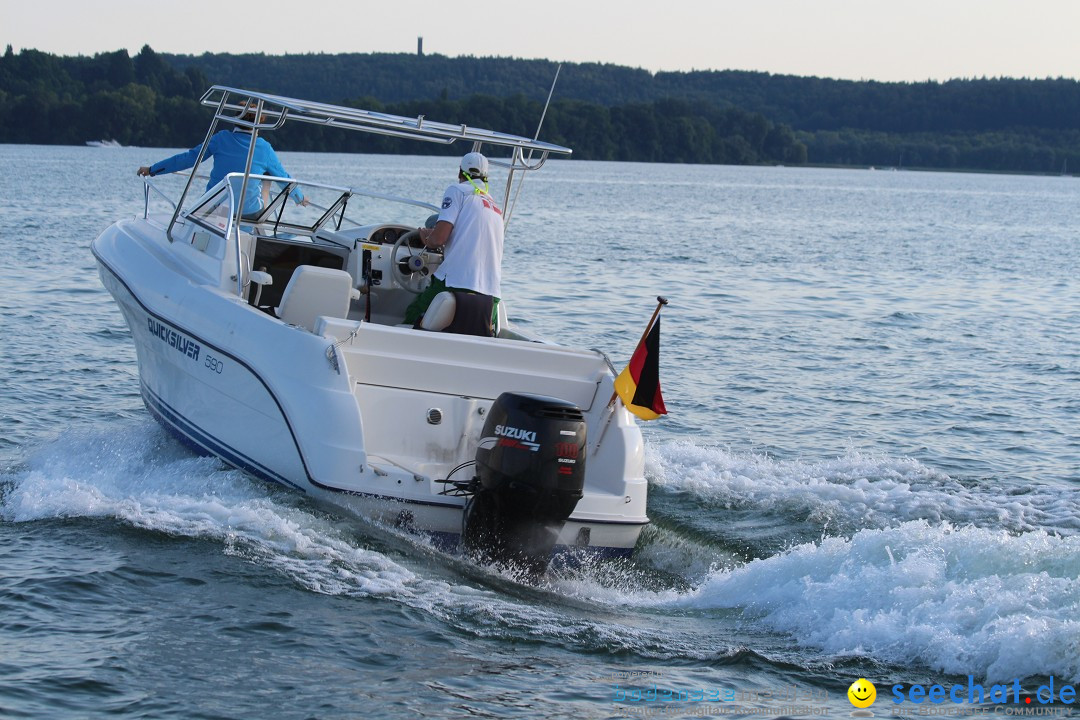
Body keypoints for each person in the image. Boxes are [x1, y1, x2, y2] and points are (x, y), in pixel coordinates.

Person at [137, 103, 306, 216]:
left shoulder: (220, 139)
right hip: (248, 212)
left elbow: (189, 159)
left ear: (235, 118)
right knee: (268, 175)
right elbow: (283, 178)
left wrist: (153, 169)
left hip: (216, 208)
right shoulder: (264, 148)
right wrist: (299, 197)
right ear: (259, 123)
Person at [405, 152, 505, 337]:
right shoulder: (495, 207)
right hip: (491, 296)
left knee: (412, 315)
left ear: (460, 172)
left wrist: (425, 236)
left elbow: (438, 240)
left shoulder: (457, 191)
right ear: (486, 177)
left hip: (455, 283)